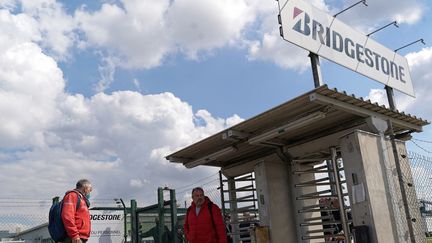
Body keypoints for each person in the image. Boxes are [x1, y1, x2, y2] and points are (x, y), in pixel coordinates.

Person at [61, 179, 92, 243]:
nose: (90, 192)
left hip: (80, 237)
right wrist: (74, 235)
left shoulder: (81, 199)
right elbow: (67, 216)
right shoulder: (72, 195)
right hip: (74, 238)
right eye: (90, 189)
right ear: (85, 188)